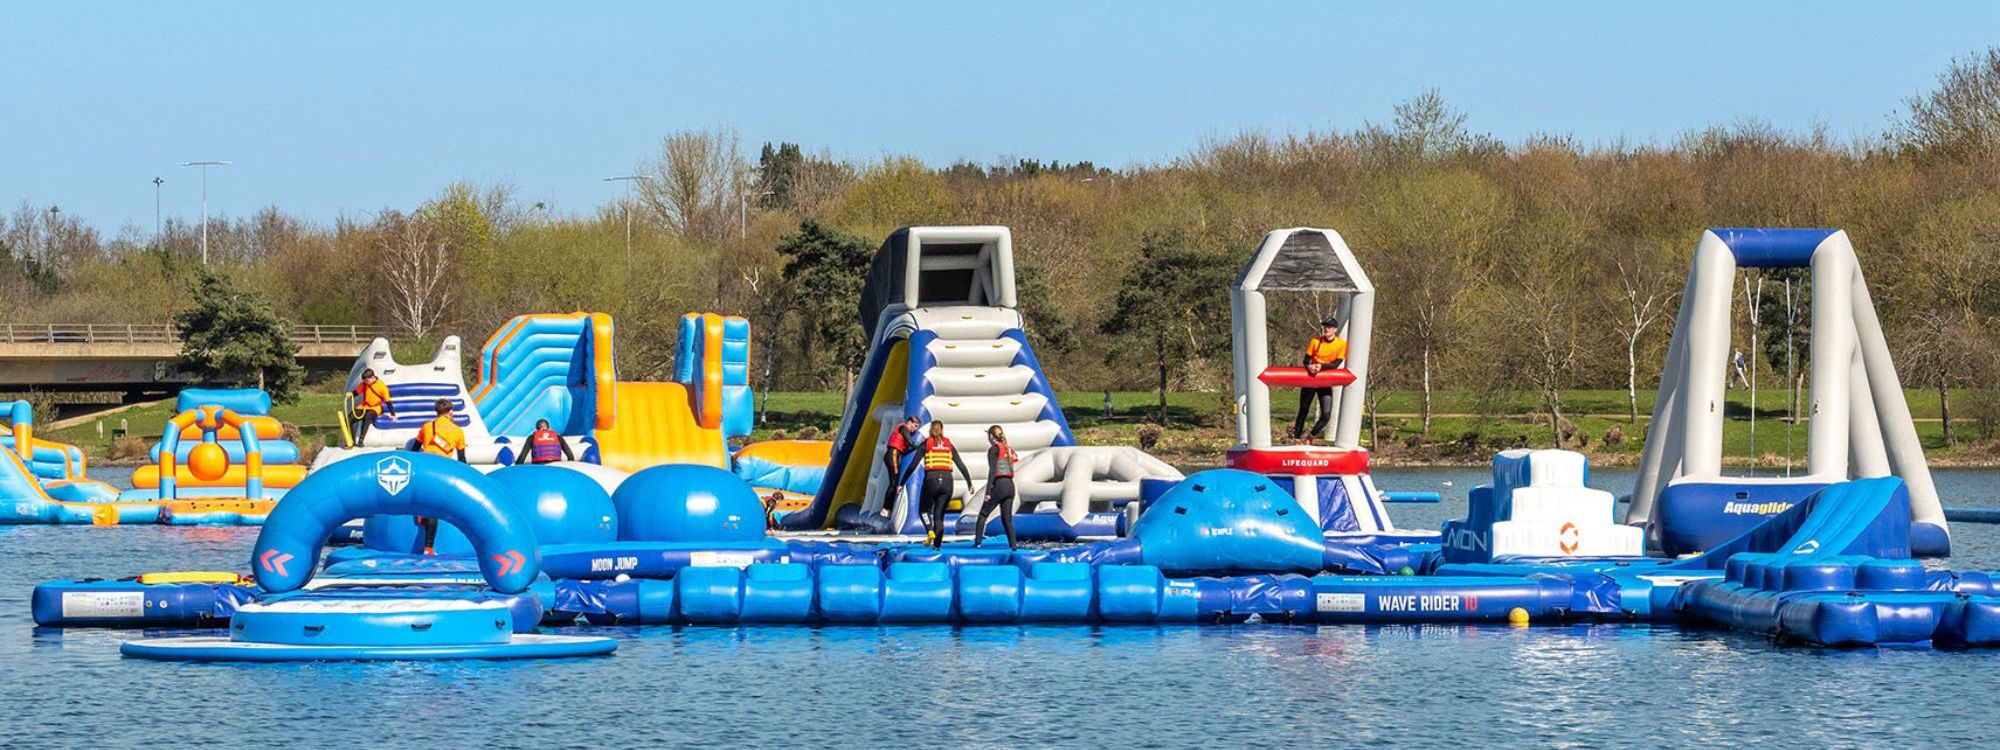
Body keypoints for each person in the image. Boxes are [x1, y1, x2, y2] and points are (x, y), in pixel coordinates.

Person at [897, 420, 972, 549]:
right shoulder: (949, 444)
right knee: (939, 516)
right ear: (942, 430)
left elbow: (913, 465)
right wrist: (969, 482)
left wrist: (901, 483)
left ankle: (930, 530)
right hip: (948, 482)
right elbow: (960, 464)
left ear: (930, 429)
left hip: (931, 480)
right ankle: (937, 546)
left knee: (924, 510)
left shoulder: (927, 443)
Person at [412, 397, 466, 554]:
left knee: (427, 503)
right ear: (450, 413)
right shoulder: (458, 431)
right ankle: (428, 548)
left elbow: (414, 449)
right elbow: (462, 460)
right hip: (441, 472)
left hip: (424, 470)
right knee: (435, 509)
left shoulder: (427, 426)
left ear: (437, 412)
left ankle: (421, 512)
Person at [1291, 315, 1346, 445]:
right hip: (1310, 380)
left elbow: (1336, 364)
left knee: (1326, 414)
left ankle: (1311, 435)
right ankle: (1297, 438)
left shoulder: (1340, 344)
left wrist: (1321, 366)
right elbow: (1305, 361)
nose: (1326, 329)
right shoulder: (1315, 341)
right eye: (1325, 327)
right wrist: (1310, 366)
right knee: (1303, 410)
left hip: (1324, 382)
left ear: (1335, 329)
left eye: (1329, 327)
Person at [973, 425, 1020, 550]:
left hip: (999, 485)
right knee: (1007, 519)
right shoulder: (1007, 448)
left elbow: (992, 471)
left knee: (983, 514)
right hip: (1010, 485)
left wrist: (988, 491)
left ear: (992, 436)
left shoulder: (994, 449)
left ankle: (977, 543)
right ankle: (1013, 545)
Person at [880, 415, 922, 517]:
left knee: (894, 481)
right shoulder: (903, 428)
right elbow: (911, 443)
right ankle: (886, 508)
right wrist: (921, 445)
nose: (914, 429)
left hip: (894, 454)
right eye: (914, 426)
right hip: (893, 454)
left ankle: (888, 508)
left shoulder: (904, 430)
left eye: (917, 427)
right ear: (909, 422)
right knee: (894, 482)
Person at [348, 369, 395, 446]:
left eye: (367, 380)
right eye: (365, 380)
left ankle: (361, 440)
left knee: (367, 416)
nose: (366, 382)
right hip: (363, 406)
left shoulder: (382, 387)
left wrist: (393, 415)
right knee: (349, 419)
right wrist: (351, 394)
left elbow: (388, 402)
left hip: (375, 408)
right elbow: (356, 392)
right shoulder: (364, 384)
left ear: (372, 377)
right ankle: (351, 440)